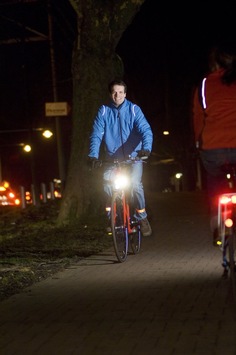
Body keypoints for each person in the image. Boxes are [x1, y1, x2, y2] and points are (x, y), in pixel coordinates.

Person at [88, 78, 153, 237]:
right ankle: (112, 218)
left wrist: (145, 149)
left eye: (121, 92)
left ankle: (142, 216)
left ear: (125, 94)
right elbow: (96, 135)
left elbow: (146, 130)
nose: (117, 95)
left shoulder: (134, 110)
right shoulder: (103, 111)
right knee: (107, 185)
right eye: (114, 92)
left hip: (134, 158)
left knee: (136, 185)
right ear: (110, 94)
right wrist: (93, 156)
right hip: (113, 159)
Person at [192, 43, 236, 244]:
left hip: (213, 147)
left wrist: (198, 141)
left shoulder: (204, 84)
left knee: (215, 180)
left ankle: (217, 220)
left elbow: (198, 117)